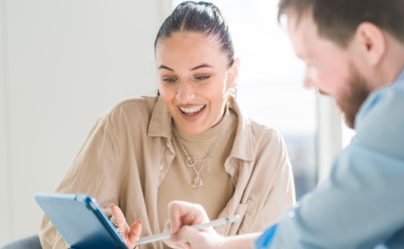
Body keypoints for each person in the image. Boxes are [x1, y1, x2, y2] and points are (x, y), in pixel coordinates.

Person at [162, 0, 404, 248]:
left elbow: (311, 237)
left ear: (368, 43)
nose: (309, 82)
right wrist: (216, 244)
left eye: (313, 62)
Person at [38, 1, 296, 249]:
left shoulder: (267, 150)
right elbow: (55, 227)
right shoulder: (123, 124)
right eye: (170, 79)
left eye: (202, 77)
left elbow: (283, 244)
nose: (184, 96)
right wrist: (107, 242)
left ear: (233, 72)